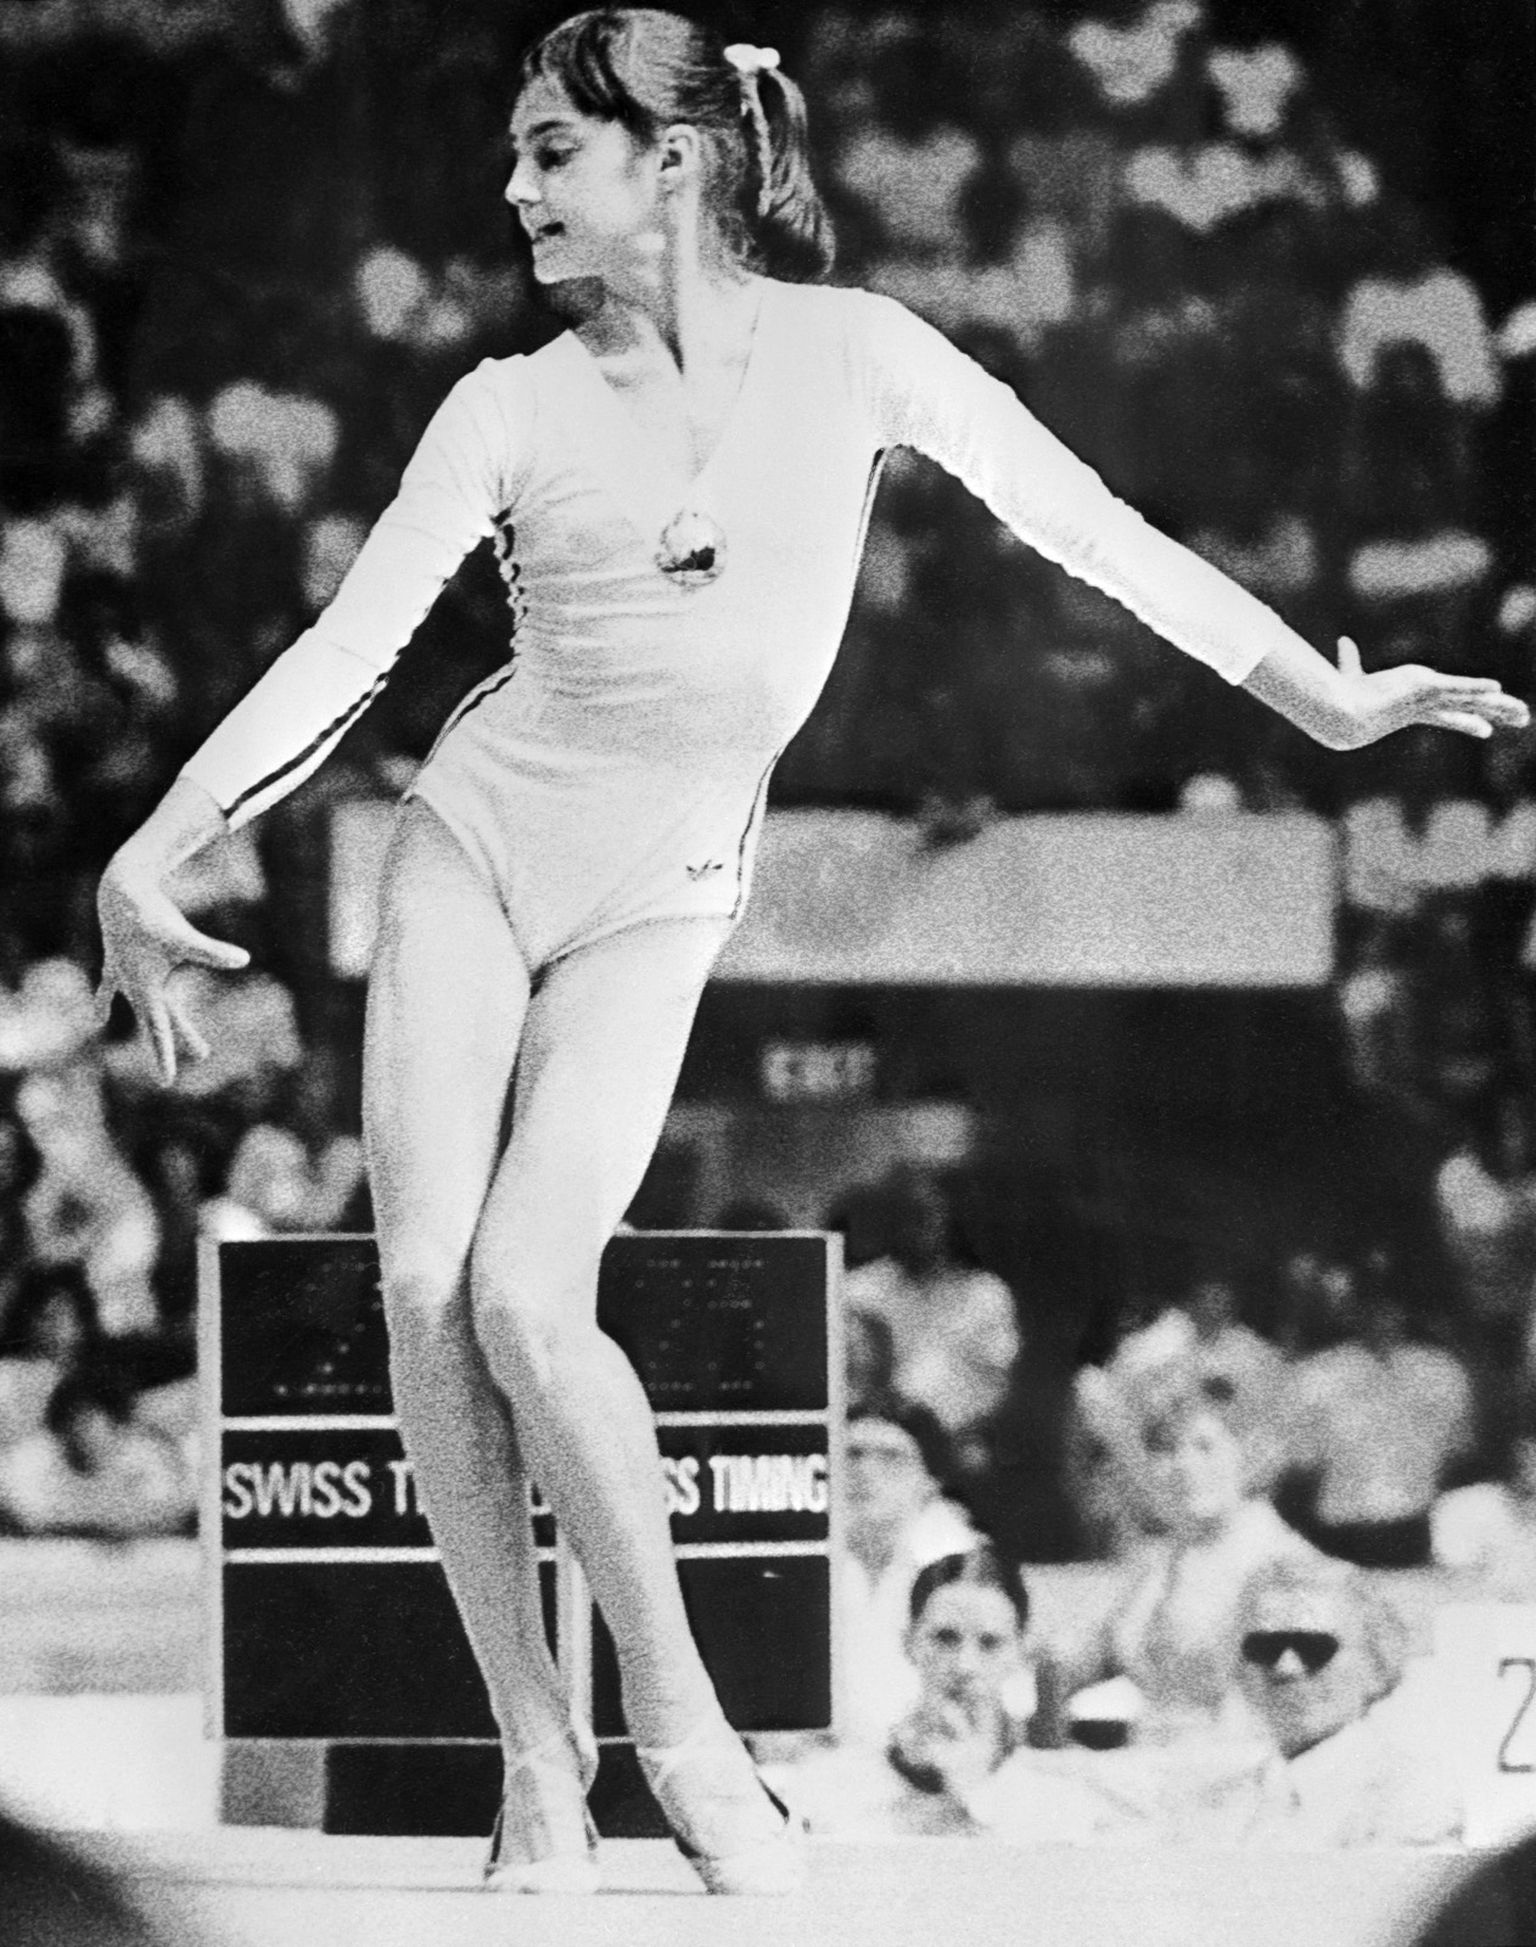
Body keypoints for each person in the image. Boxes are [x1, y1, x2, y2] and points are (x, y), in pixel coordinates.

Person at [90, 3, 1527, 1900]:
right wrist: (161, 835)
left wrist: (1317, 702)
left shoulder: (859, 355)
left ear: (671, 159)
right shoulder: (507, 404)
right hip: (475, 844)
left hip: (662, 889)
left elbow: (1095, 532)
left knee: (527, 1295)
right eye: (513, 152)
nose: (513, 188)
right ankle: (534, 1753)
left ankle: (683, 1738)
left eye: (551, 150)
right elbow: (351, 651)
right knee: (423, 1280)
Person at [1036, 1353, 1316, 1748]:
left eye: (1204, 1447)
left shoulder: (1286, 1565)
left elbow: (1293, 1713)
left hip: (1229, 1766)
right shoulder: (1171, 1557)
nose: (1183, 1465)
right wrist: (1054, 1672)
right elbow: (1096, 1655)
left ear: (1253, 1455)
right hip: (1148, 1757)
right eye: (1168, 1449)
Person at [1232, 1552, 1460, 1846]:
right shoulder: (1216, 1802)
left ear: (1375, 1662)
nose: (1287, 1667)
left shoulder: (1414, 1800)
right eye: (1266, 1647)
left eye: (1314, 1647)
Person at [839, 1403, 978, 1751]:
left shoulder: (962, 1572)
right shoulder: (796, 1570)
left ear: (931, 1482)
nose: (864, 1471)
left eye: (891, 1458)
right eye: (852, 1455)